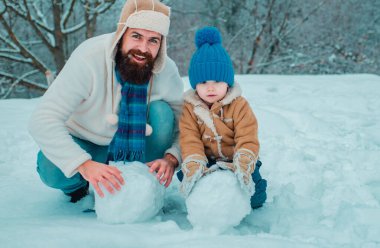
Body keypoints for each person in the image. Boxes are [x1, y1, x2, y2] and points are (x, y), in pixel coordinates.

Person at [28, 0, 183, 203]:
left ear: (161, 45)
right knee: (52, 168)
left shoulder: (166, 70)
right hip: (88, 145)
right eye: (136, 36)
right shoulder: (89, 58)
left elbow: (187, 122)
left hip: (141, 147)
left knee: (162, 113)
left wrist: (172, 158)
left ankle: (144, 180)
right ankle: (79, 187)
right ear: (121, 34)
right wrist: (83, 164)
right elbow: (42, 119)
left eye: (153, 40)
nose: (143, 48)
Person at [177, 27, 267, 209]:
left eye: (217, 82)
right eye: (203, 83)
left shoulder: (239, 105)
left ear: (228, 82)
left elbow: (247, 136)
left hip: (236, 159)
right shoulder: (190, 108)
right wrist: (195, 162)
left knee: (256, 197)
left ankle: (248, 189)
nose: (210, 88)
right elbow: (189, 138)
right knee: (189, 181)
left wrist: (243, 161)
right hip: (207, 161)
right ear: (195, 85)